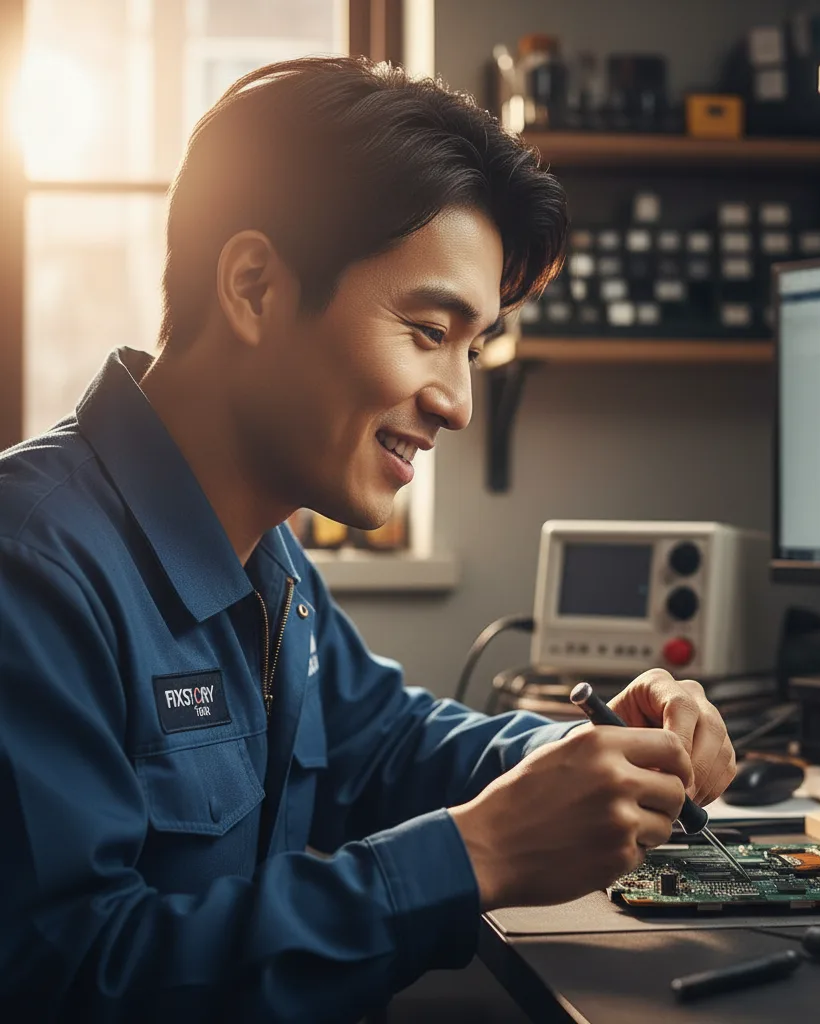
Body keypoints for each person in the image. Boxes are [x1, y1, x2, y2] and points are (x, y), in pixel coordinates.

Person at [0, 57, 736, 1022]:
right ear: (256, 285)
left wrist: (595, 757)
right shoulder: (33, 564)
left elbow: (388, 746)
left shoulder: (266, 557)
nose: (459, 402)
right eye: (429, 329)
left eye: (472, 347)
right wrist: (479, 854)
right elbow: (69, 975)